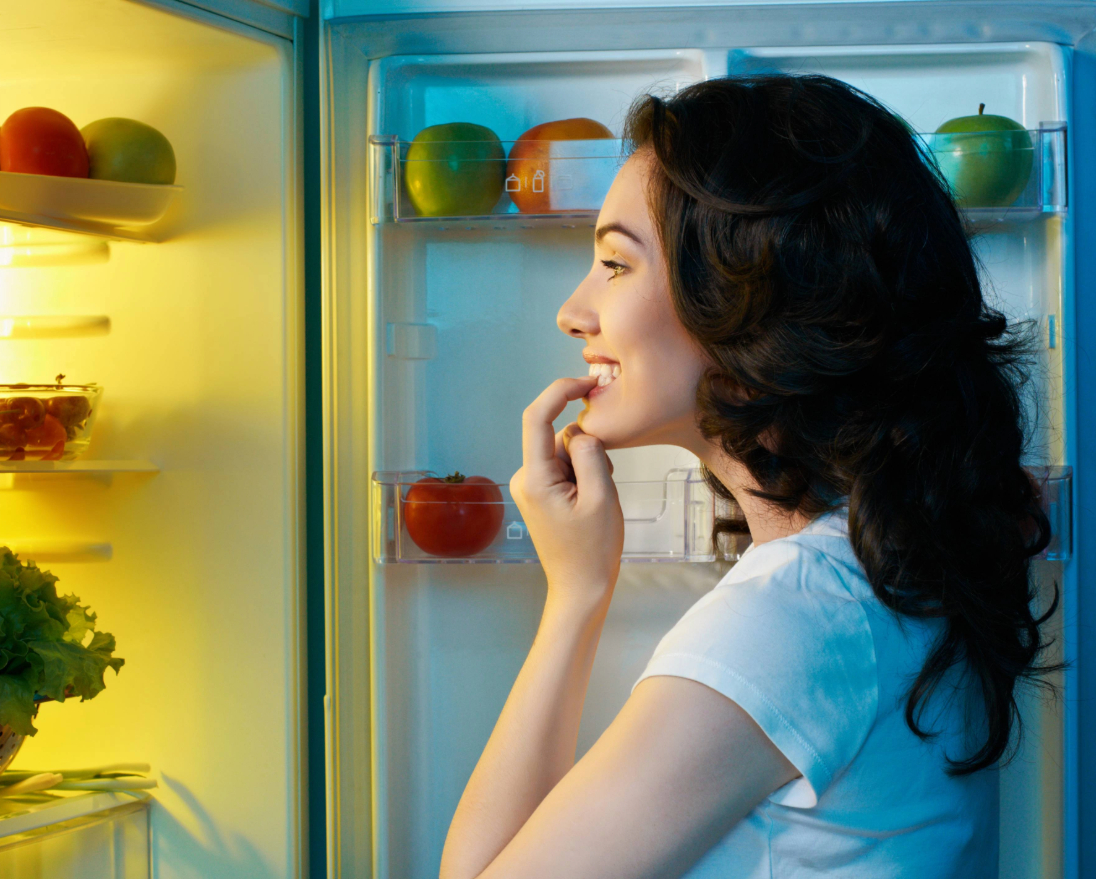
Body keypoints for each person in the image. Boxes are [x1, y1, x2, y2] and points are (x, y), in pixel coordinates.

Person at [438, 74, 1058, 879]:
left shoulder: (790, 620)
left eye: (614, 264)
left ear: (743, 300)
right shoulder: (875, 570)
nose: (573, 310)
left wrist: (574, 598)